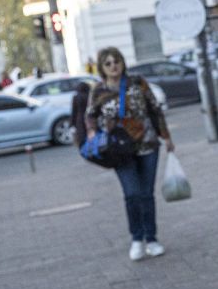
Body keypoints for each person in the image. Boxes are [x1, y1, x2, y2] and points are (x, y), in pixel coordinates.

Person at [85, 47, 175, 261]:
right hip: (119, 150)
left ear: (123, 63)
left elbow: (155, 109)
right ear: (102, 68)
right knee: (132, 194)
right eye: (108, 63)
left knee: (146, 194)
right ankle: (137, 238)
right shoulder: (98, 90)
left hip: (147, 144)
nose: (113, 66)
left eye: (116, 61)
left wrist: (166, 136)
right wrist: (92, 132)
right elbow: (90, 115)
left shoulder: (137, 82)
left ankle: (151, 239)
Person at [71, 82, 91, 147]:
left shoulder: (76, 97)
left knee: (81, 138)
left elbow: (74, 111)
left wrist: (72, 124)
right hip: (89, 118)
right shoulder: (89, 96)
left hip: (79, 119)